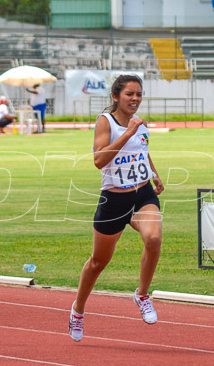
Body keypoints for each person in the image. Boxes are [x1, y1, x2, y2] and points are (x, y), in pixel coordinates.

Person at [69, 74, 165, 342]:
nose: (135, 99)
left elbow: (142, 151)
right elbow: (99, 160)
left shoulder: (139, 125)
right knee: (99, 262)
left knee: (154, 237)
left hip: (142, 194)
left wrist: (154, 173)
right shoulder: (106, 122)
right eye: (129, 94)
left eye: (138, 94)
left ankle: (142, 294)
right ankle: (78, 310)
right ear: (115, 97)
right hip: (113, 200)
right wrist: (129, 131)